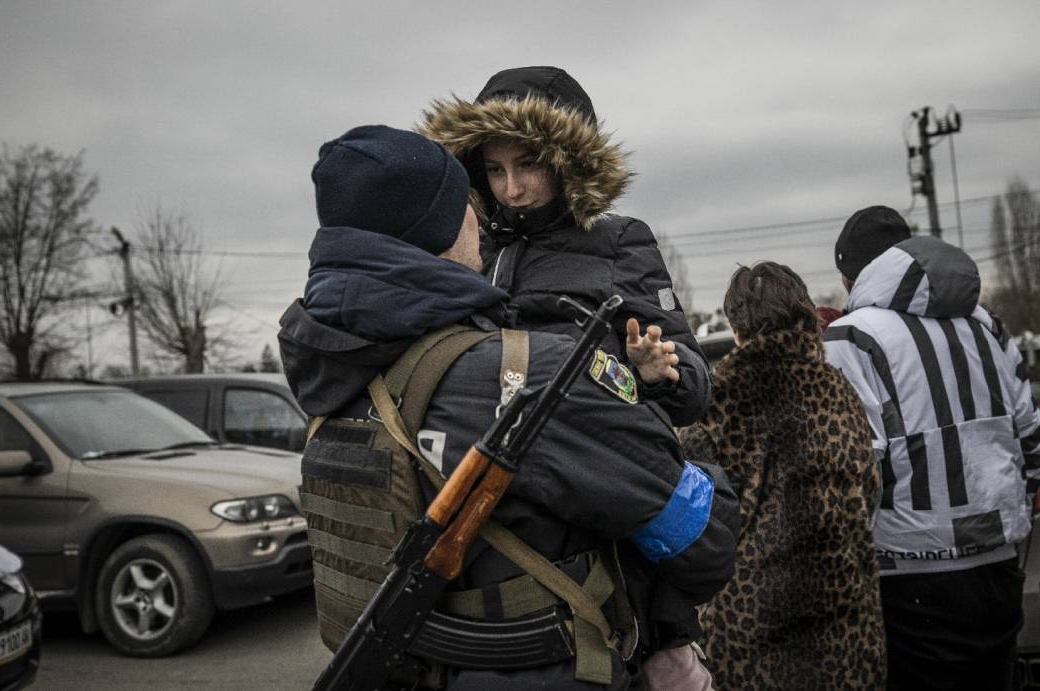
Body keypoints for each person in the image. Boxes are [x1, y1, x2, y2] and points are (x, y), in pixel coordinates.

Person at [278, 124, 739, 690]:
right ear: (440, 228)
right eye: (470, 194)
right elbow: (704, 537)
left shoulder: (331, 366)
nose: (492, 202)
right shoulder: (526, 373)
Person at [420, 65, 710, 427]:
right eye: (495, 170)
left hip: (582, 461)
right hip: (474, 463)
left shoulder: (619, 242)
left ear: (567, 162)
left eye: (528, 165)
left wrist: (658, 373)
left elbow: (694, 392)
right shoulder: (466, 246)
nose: (512, 189)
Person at [824, 205, 1040, 691]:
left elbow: (851, 469)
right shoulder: (988, 324)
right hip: (998, 562)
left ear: (851, 276)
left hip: (905, 572)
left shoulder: (850, 336)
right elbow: (1030, 433)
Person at [676, 262, 885, 690]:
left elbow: (688, 517)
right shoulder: (840, 393)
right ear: (805, 315)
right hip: (846, 631)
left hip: (751, 632)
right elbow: (872, 490)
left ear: (737, 328)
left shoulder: (718, 404)